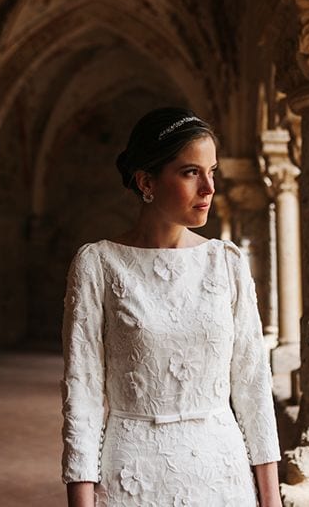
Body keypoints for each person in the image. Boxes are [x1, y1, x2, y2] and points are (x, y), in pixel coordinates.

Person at [61, 107, 282, 507]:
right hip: (131, 475)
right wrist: (80, 499)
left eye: (212, 171)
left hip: (222, 474)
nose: (209, 188)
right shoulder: (98, 264)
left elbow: (253, 387)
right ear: (146, 181)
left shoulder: (226, 262)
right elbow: (83, 393)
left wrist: (271, 500)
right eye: (190, 172)